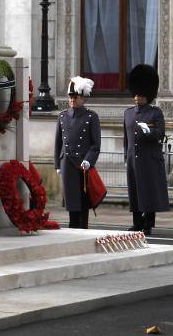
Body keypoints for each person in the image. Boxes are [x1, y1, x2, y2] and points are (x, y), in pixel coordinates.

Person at [124, 64, 169, 236]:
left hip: (149, 159)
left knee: (148, 192)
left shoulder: (155, 113)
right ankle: (137, 223)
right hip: (133, 160)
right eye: (135, 94)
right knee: (134, 192)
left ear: (147, 95)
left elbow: (160, 134)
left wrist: (149, 131)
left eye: (140, 95)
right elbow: (126, 138)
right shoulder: (128, 113)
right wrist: (125, 157)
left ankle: (148, 224)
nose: (137, 98)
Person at [54, 76, 101, 229]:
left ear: (83, 98)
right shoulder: (62, 116)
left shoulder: (91, 117)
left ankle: (82, 227)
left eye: (75, 97)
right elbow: (58, 143)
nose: (72, 99)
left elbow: (95, 144)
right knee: (71, 200)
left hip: (82, 164)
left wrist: (89, 160)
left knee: (82, 200)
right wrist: (57, 164)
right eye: (71, 96)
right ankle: (72, 225)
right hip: (67, 163)